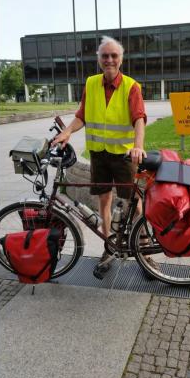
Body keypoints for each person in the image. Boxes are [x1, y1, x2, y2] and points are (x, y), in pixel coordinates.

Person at [51, 36, 147, 247]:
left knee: (134, 202)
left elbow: (139, 118)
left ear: (121, 59)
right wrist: (67, 131)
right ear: (99, 59)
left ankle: (145, 248)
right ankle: (109, 245)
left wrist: (138, 146)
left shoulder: (131, 86)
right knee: (103, 200)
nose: (109, 60)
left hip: (124, 155)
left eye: (114, 56)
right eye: (105, 56)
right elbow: (82, 115)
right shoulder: (91, 83)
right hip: (99, 154)